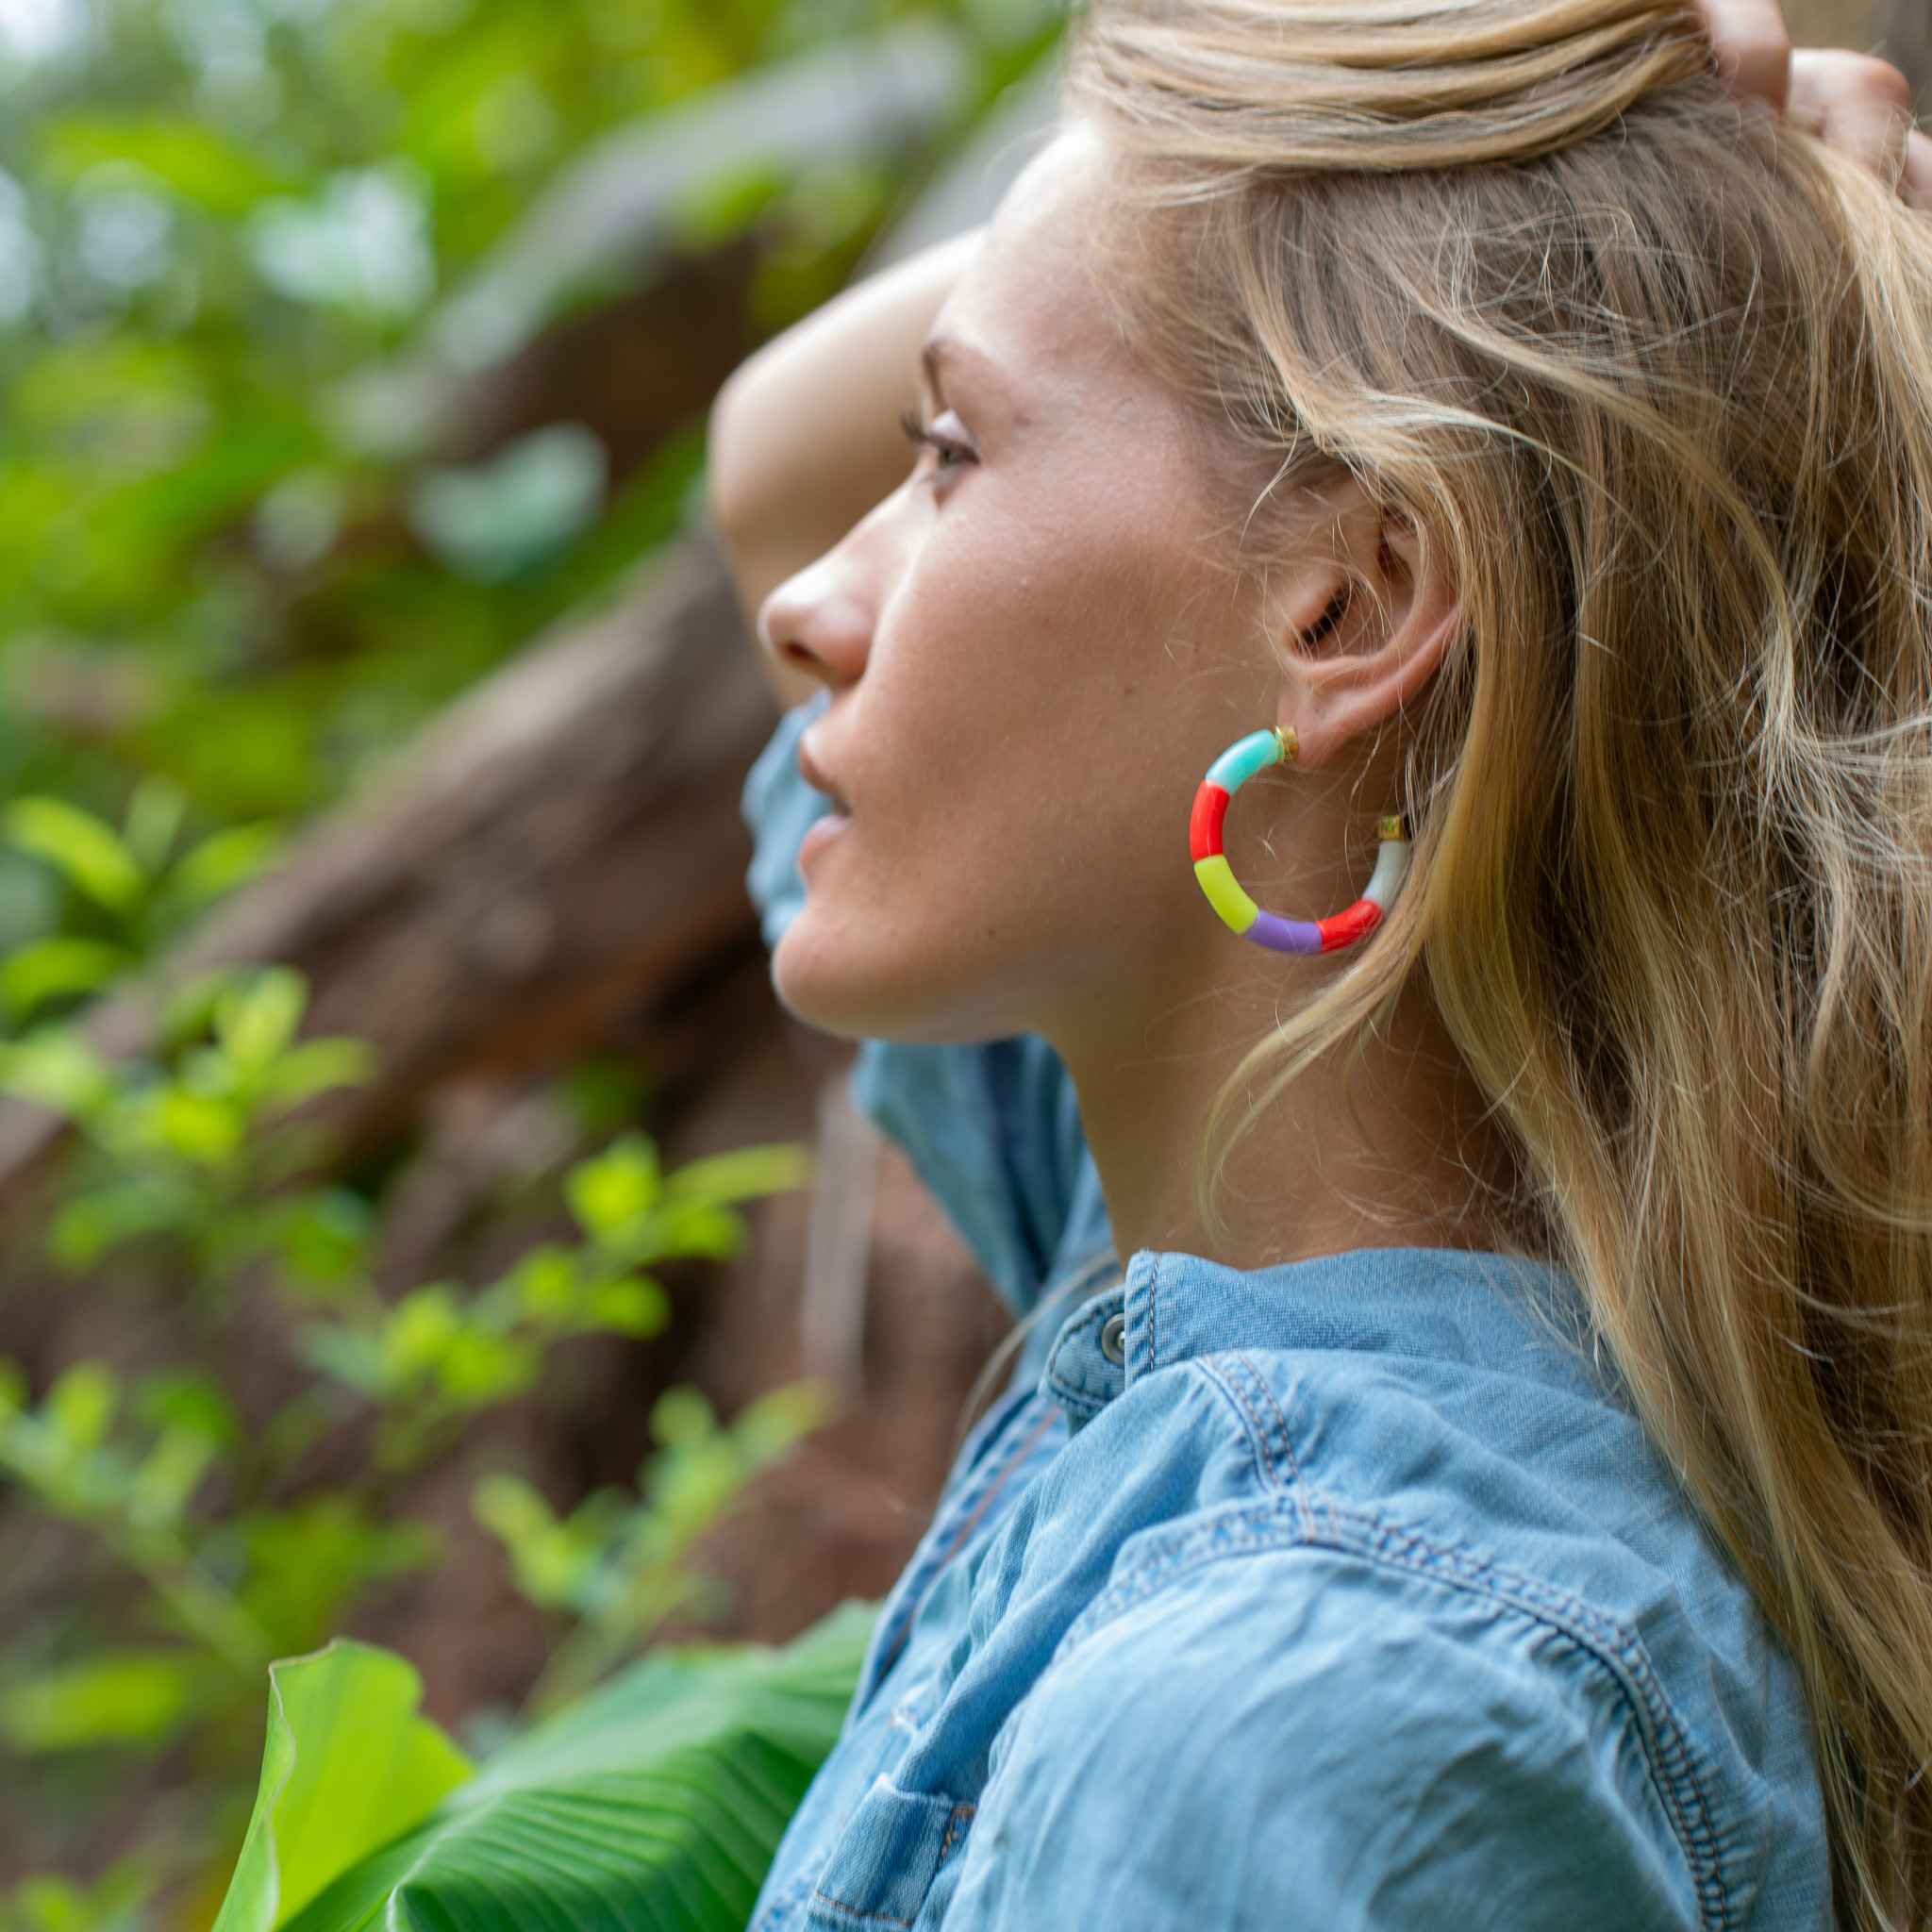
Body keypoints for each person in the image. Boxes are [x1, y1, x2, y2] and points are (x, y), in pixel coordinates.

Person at [705, 0, 1932, 1924]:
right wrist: (1437, 122)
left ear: (1347, 606)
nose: (808, 601)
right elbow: (755, 469)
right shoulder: (1240, 1240)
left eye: (949, 452)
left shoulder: (1283, 1714)